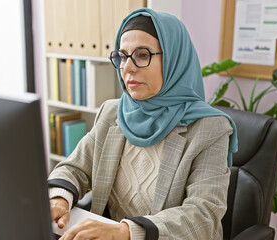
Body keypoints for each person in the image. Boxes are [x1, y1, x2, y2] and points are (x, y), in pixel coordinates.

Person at [48, 8, 238, 240]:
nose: (127, 67)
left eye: (142, 55)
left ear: (173, 59)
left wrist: (127, 232)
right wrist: (59, 198)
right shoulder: (112, 112)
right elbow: (75, 168)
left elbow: (203, 215)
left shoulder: (209, 127)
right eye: (122, 56)